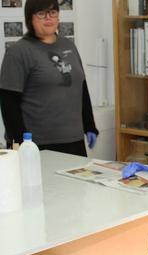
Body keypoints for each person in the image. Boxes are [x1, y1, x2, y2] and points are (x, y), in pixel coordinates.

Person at [0, 0, 98, 156]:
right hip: (36, 145)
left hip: (74, 140)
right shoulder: (18, 52)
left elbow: (81, 87)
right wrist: (18, 146)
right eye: (41, 13)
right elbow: (8, 104)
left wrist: (90, 126)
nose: (49, 18)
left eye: (53, 12)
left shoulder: (69, 45)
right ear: (30, 19)